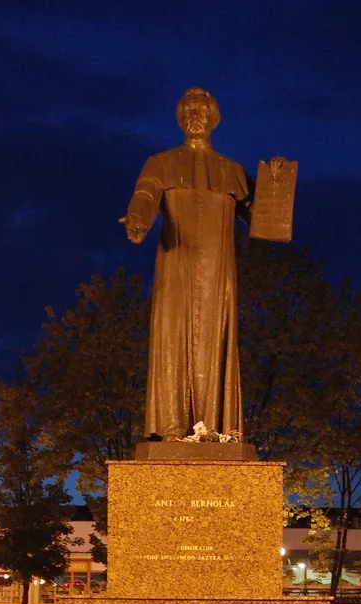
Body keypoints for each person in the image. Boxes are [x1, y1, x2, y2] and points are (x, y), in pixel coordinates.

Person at [121, 88, 251, 440]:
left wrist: (277, 179)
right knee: (173, 338)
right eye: (188, 110)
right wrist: (137, 218)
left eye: (202, 110)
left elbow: (263, 217)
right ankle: (171, 426)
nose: (195, 115)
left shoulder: (231, 170)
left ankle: (216, 428)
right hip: (176, 267)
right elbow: (145, 194)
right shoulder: (161, 163)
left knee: (214, 341)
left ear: (213, 118)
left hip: (216, 273)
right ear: (180, 118)